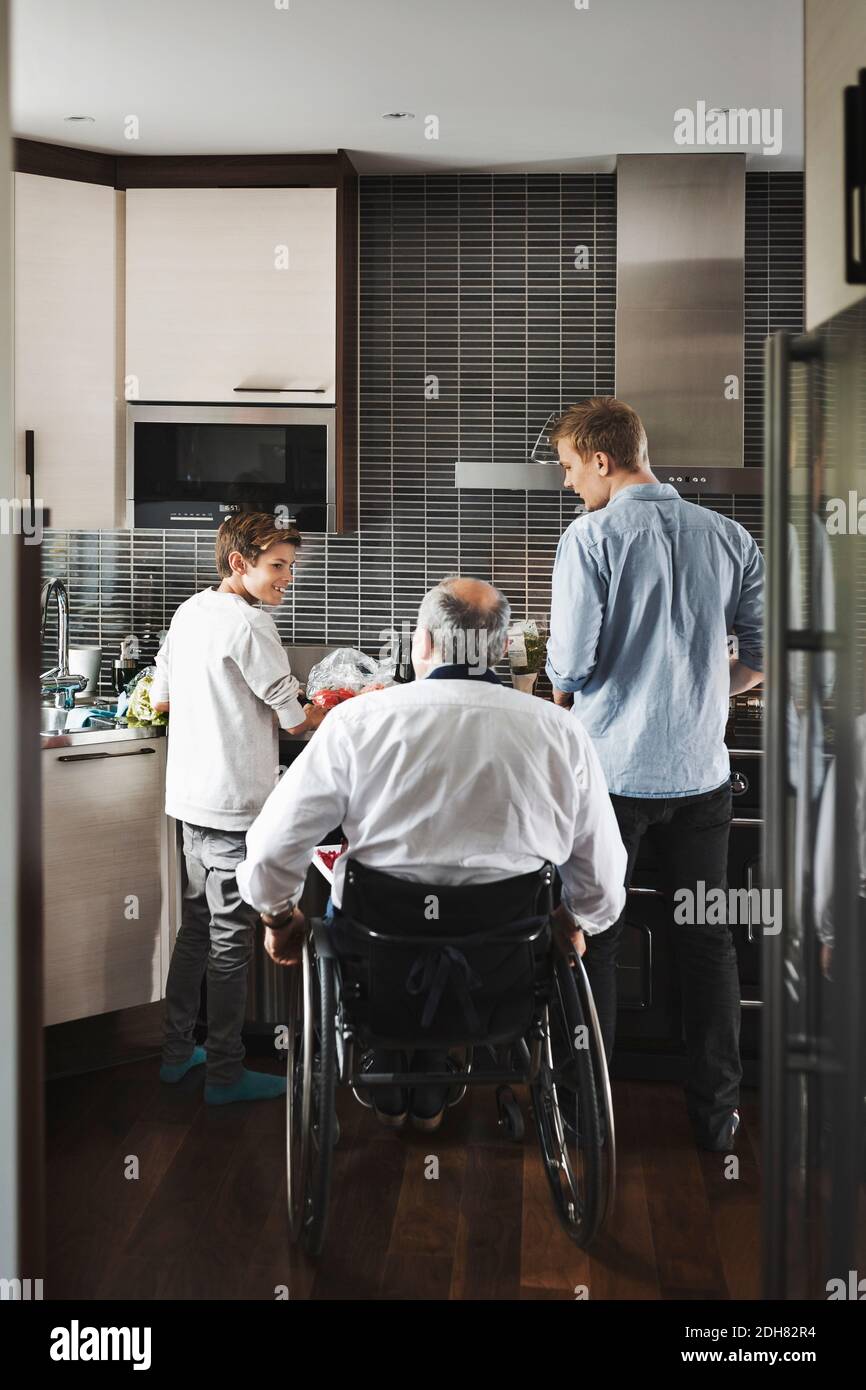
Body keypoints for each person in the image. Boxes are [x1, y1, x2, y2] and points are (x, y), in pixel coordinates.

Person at [237, 576, 627, 1132]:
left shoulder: (358, 723)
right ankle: (435, 1070)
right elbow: (604, 881)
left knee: (359, 929)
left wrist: (278, 917)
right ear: (498, 649)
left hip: (376, 964)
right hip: (502, 974)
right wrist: (575, 918)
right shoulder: (559, 732)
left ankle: (394, 1066)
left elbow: (274, 847)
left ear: (421, 643)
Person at [545, 397, 764, 1152]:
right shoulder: (732, 537)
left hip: (610, 781)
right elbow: (759, 660)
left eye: (572, 469)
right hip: (702, 781)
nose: (571, 485)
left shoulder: (591, 538)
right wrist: (702, 687)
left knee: (594, 938)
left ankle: (587, 1118)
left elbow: (569, 666)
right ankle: (718, 1119)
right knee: (707, 944)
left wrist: (566, 695)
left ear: (602, 459)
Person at [151, 511, 325, 1105]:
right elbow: (296, 718)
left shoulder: (189, 612)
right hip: (232, 809)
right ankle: (225, 1072)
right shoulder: (250, 625)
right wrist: (355, 708)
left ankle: (178, 1054)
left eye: (290, 567)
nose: (287, 579)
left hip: (191, 803)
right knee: (230, 938)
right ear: (239, 564)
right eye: (277, 567)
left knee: (195, 929)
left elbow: (162, 696)